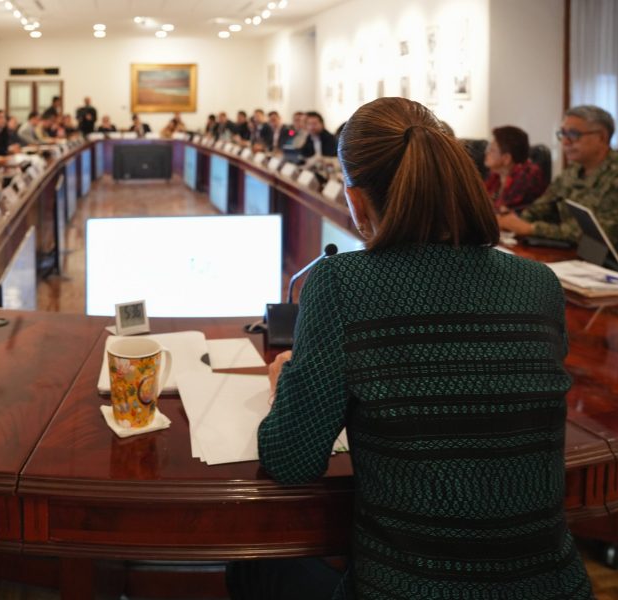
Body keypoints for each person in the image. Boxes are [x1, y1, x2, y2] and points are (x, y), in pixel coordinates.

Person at [228, 97, 593, 599]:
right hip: (554, 587)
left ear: (355, 200)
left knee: (248, 563)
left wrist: (285, 382)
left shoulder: (341, 285)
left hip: (410, 588)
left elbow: (291, 461)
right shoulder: (538, 283)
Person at [497, 105, 618, 263]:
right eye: (562, 134)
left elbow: (598, 234)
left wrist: (531, 229)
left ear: (601, 137)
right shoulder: (573, 171)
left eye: (573, 134)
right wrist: (514, 222)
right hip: (577, 256)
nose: (565, 141)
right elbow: (541, 207)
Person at [483, 125, 547, 211]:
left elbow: (504, 213)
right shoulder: (496, 177)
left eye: (492, 150)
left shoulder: (527, 176)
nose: (487, 152)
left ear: (506, 158)